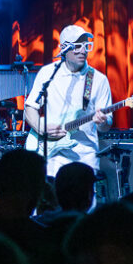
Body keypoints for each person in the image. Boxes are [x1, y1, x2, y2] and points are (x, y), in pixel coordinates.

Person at [24, 24, 112, 178]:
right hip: (53, 154)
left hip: (85, 154)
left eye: (86, 46)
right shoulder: (48, 73)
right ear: (64, 48)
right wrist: (40, 128)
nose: (83, 51)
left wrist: (102, 122)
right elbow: (30, 107)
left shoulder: (98, 79)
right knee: (53, 198)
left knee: (84, 200)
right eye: (78, 46)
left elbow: (105, 127)